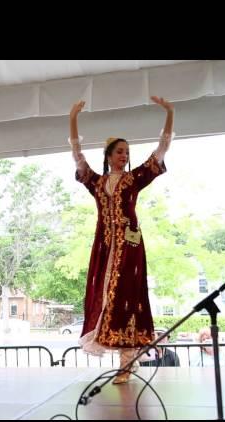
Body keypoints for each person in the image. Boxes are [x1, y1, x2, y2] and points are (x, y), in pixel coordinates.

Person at [69, 96, 174, 384]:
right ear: (109, 155)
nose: (124, 156)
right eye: (119, 152)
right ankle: (124, 360)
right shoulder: (98, 183)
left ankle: (127, 362)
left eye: (127, 152)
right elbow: (77, 157)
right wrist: (73, 117)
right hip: (105, 247)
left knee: (127, 298)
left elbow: (160, 152)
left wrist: (169, 113)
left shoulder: (133, 180)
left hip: (129, 247)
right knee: (105, 299)